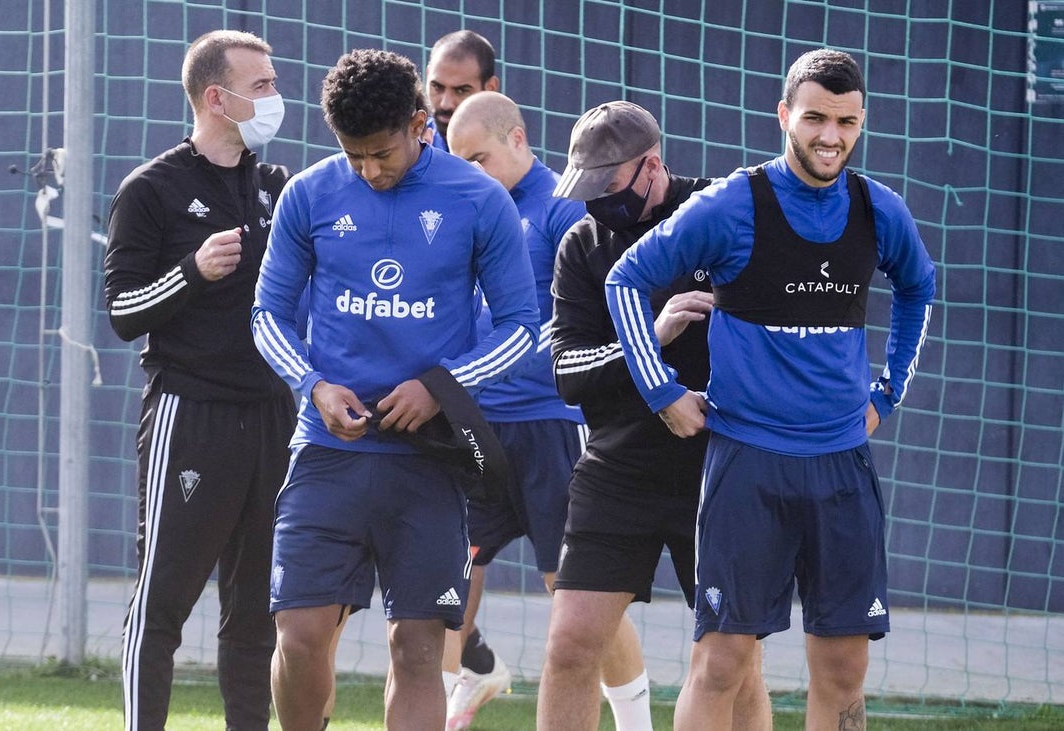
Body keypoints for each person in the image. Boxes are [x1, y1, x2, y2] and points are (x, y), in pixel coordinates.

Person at [605, 49, 937, 730]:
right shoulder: (733, 203)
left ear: (861, 121)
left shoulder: (878, 209)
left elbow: (918, 286)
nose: (830, 135)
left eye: (846, 121)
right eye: (815, 117)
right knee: (722, 660)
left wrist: (887, 393)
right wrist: (660, 390)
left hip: (842, 465)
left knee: (844, 668)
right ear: (785, 115)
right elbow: (625, 280)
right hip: (747, 462)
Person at [251, 48, 539, 731]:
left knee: (415, 649)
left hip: (428, 462)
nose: (368, 171)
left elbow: (524, 328)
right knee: (298, 634)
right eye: (354, 156)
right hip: (327, 452)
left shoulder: (478, 199)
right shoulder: (310, 194)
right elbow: (266, 315)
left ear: (418, 124)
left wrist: (440, 385)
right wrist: (311, 383)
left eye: (381, 153)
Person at [536, 100, 772, 731]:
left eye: (607, 186)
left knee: (732, 663)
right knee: (569, 646)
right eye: (584, 187)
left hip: (721, 466)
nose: (594, 201)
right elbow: (568, 374)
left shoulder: (720, 213)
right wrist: (650, 339)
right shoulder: (581, 245)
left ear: (651, 167)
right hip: (621, 466)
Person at [103, 30, 296, 731]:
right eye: (265, 86)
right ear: (218, 97)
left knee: (254, 614)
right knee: (161, 604)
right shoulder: (151, 189)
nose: (277, 98)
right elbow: (123, 311)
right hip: (191, 414)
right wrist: (192, 272)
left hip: (273, 416)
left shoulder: (280, 188)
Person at [444, 90, 622, 730]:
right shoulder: (465, 208)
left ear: (518, 139)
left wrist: (507, 356)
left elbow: (571, 322)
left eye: (480, 157)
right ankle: (452, 693)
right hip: (475, 425)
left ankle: (633, 717)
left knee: (574, 591)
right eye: (457, 159)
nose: (469, 171)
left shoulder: (559, 208)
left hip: (550, 424)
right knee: (450, 577)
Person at [424, 30, 499, 151]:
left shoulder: (509, 157)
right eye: (437, 87)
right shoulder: (411, 144)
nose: (445, 104)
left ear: (490, 88)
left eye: (461, 91)